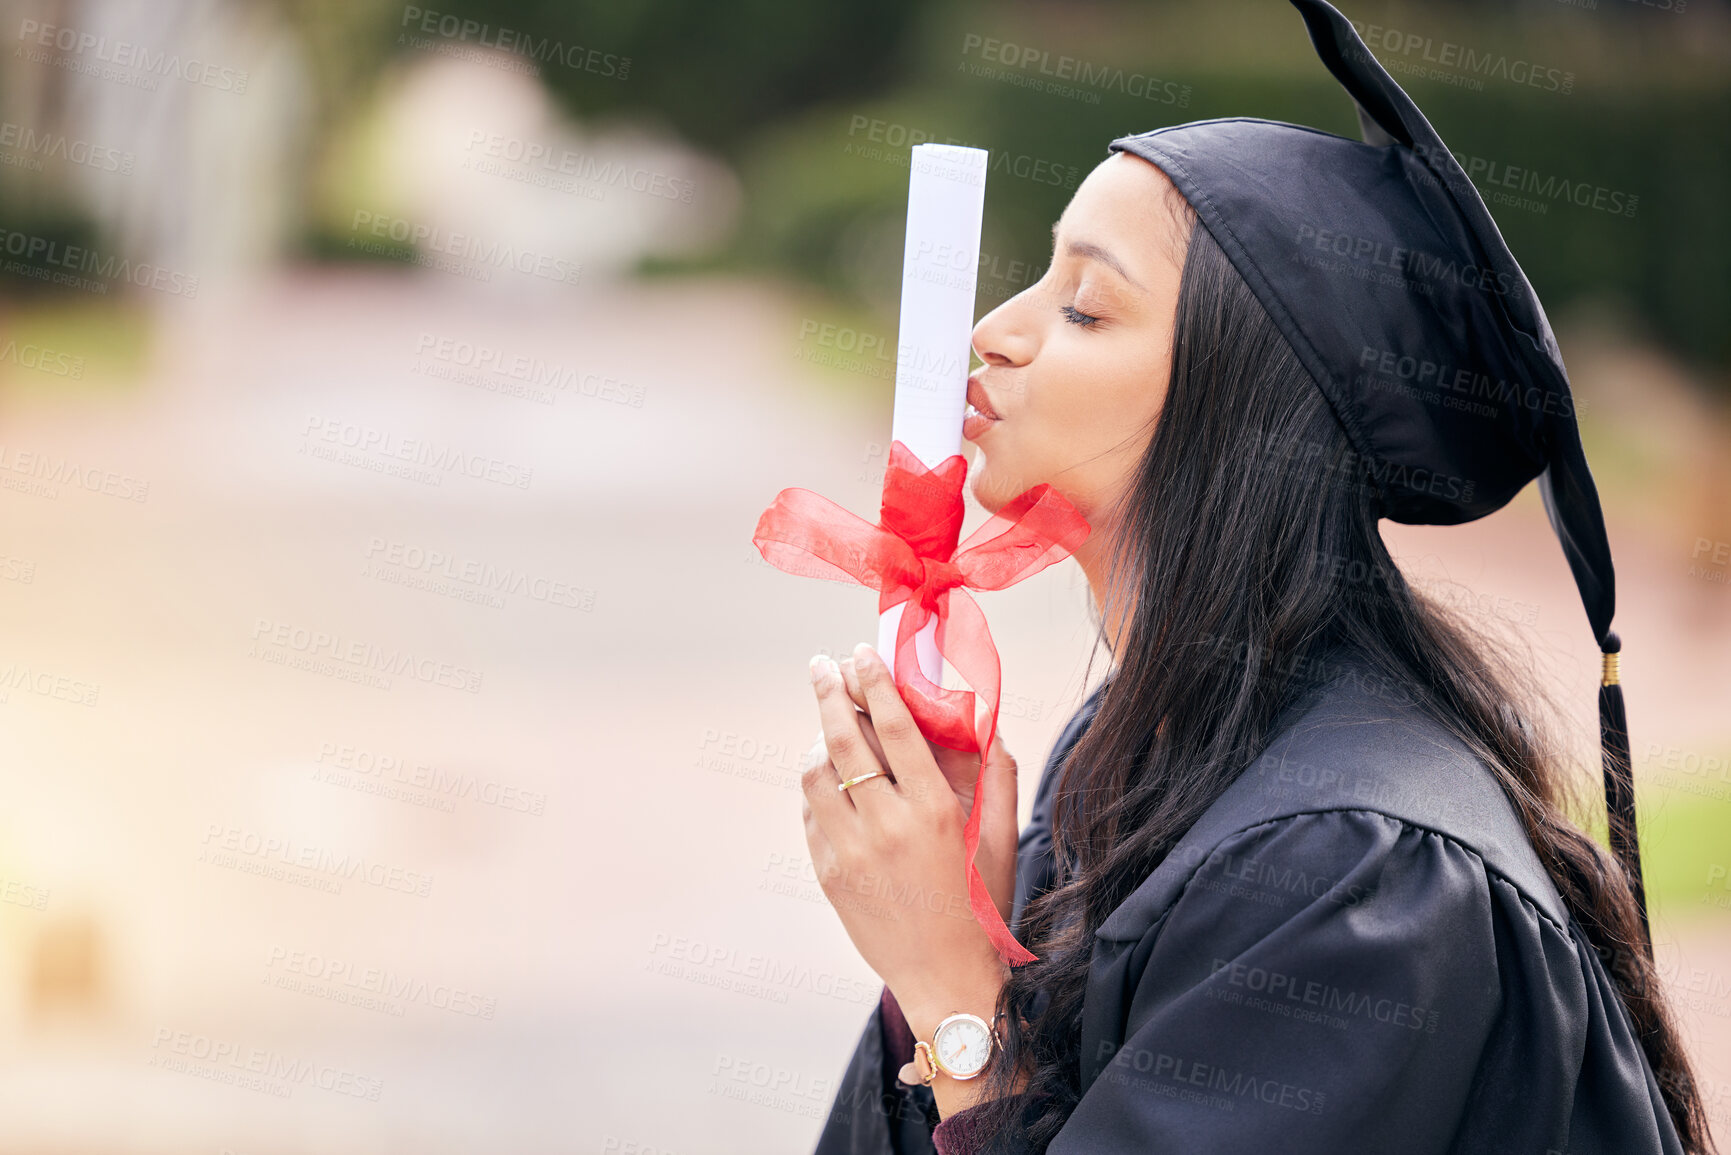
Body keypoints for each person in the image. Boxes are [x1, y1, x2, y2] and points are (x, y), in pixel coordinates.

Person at [792, 2, 1717, 1152]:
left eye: (1084, 306)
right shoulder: (1147, 745)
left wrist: (952, 988)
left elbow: (988, 1056)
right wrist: (941, 916)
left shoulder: (1353, 870)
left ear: (1242, 410)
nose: (994, 331)